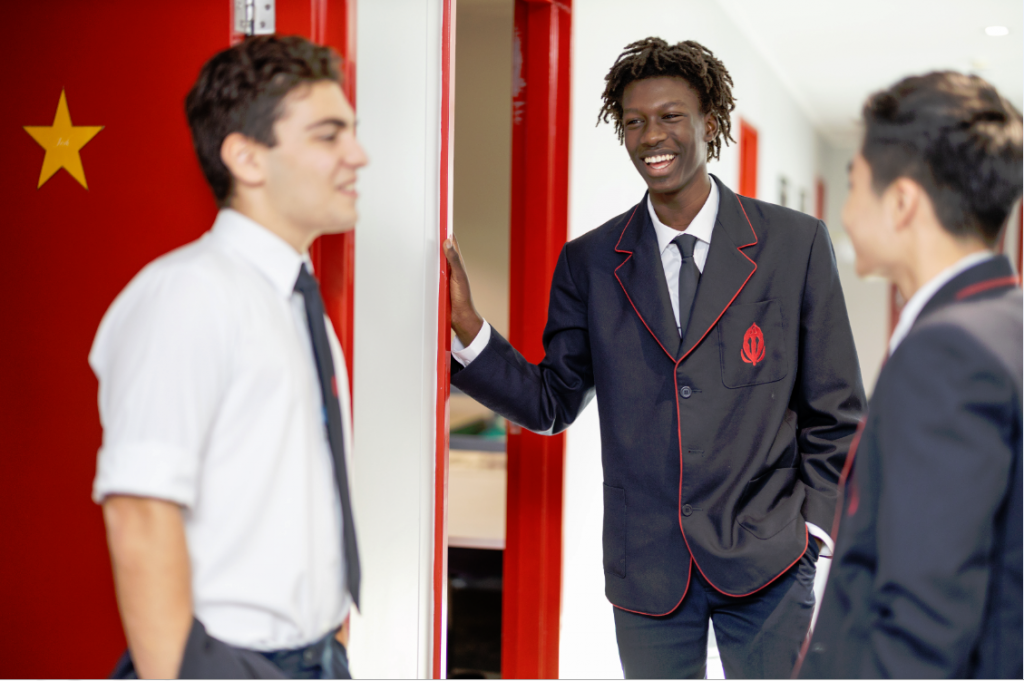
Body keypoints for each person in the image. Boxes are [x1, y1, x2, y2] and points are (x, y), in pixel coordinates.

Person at [444, 37, 865, 678]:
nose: (651, 136)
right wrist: (469, 330)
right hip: (648, 572)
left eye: (670, 116)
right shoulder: (589, 262)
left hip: (770, 559)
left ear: (711, 123)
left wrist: (816, 531)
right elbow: (552, 402)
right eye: (634, 122)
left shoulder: (793, 243)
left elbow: (835, 408)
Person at [90, 35, 368, 679]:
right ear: (246, 157)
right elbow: (139, 513)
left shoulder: (298, 303)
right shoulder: (188, 294)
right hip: (226, 664)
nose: (357, 155)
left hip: (316, 658)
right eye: (329, 136)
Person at [795, 72, 1023, 679]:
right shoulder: (1004, 324)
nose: (844, 211)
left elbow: (922, 624)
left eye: (854, 186)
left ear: (901, 203)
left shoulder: (947, 353)